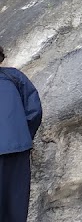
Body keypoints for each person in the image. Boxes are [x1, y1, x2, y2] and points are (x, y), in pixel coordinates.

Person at [0, 46, 42, 222]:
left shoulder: (13, 77)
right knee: (15, 206)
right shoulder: (14, 77)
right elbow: (34, 111)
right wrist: (22, 137)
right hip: (17, 149)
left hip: (17, 146)